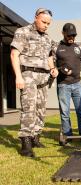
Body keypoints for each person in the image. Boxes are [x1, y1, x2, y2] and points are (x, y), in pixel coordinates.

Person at [10, 8, 58, 157]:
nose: (46, 25)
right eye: (44, 22)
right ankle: (25, 142)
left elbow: (49, 57)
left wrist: (53, 68)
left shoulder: (47, 38)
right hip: (28, 74)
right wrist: (18, 76)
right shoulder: (22, 32)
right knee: (28, 108)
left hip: (43, 77)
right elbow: (14, 54)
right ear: (36, 17)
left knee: (40, 109)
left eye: (48, 23)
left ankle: (35, 136)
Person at [53, 23, 81, 143]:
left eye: (73, 35)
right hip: (63, 85)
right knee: (65, 113)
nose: (71, 37)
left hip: (77, 84)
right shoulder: (56, 48)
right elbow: (51, 66)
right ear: (63, 33)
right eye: (69, 35)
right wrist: (60, 69)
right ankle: (67, 136)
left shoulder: (79, 48)